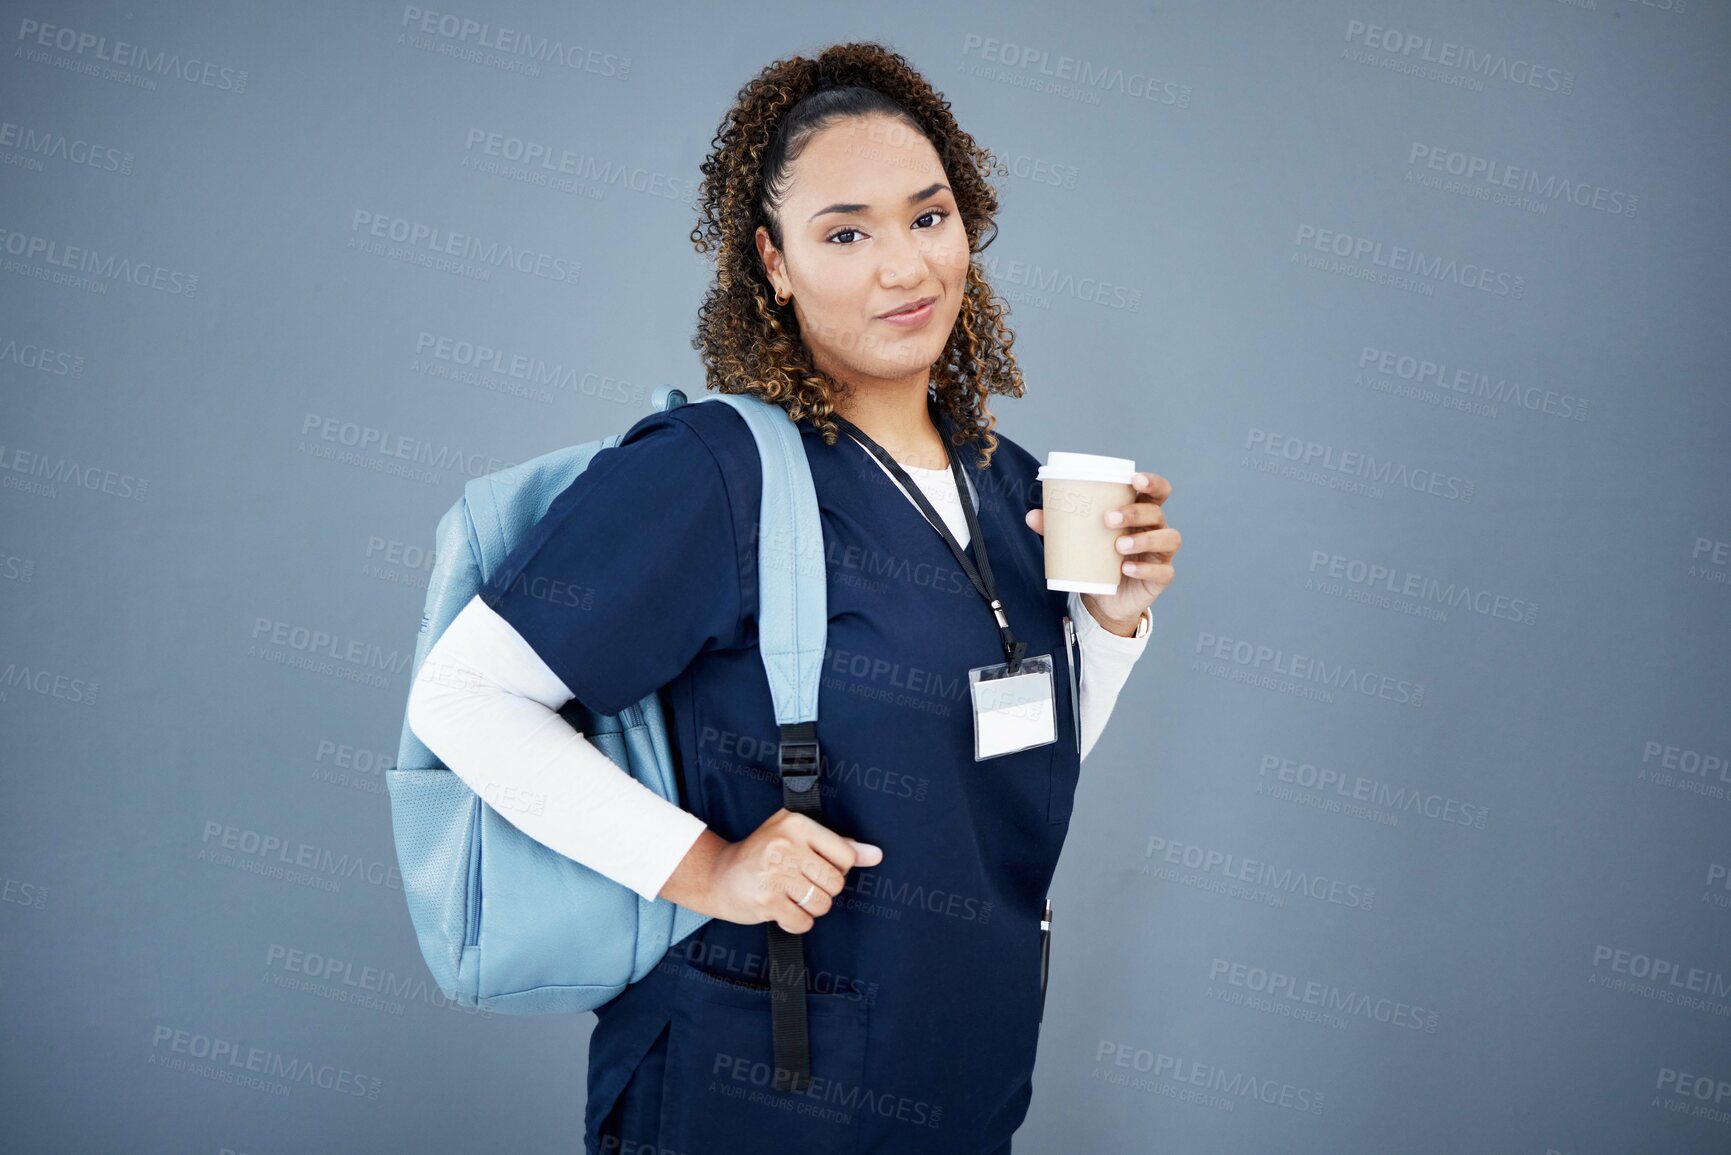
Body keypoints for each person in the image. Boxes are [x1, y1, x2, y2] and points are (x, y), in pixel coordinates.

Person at [407, 41, 1180, 1155]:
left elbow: (1002, 783)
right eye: (846, 232)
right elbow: (466, 695)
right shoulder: (715, 473)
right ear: (773, 262)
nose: (906, 268)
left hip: (962, 1076)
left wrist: (1109, 628)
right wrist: (707, 868)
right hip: (764, 1090)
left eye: (929, 217)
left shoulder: (1012, 484)